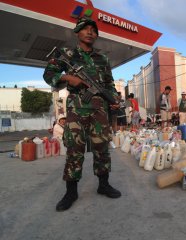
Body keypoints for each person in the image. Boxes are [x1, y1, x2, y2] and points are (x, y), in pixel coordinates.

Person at [43, 17, 121, 212]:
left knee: (102, 148)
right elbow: (48, 75)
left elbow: (109, 84)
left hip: (100, 110)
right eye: (85, 29)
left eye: (93, 30)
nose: (90, 32)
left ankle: (103, 185)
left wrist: (113, 100)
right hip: (77, 110)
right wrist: (69, 78)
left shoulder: (102, 59)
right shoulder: (68, 54)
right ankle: (71, 192)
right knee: (74, 149)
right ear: (77, 33)